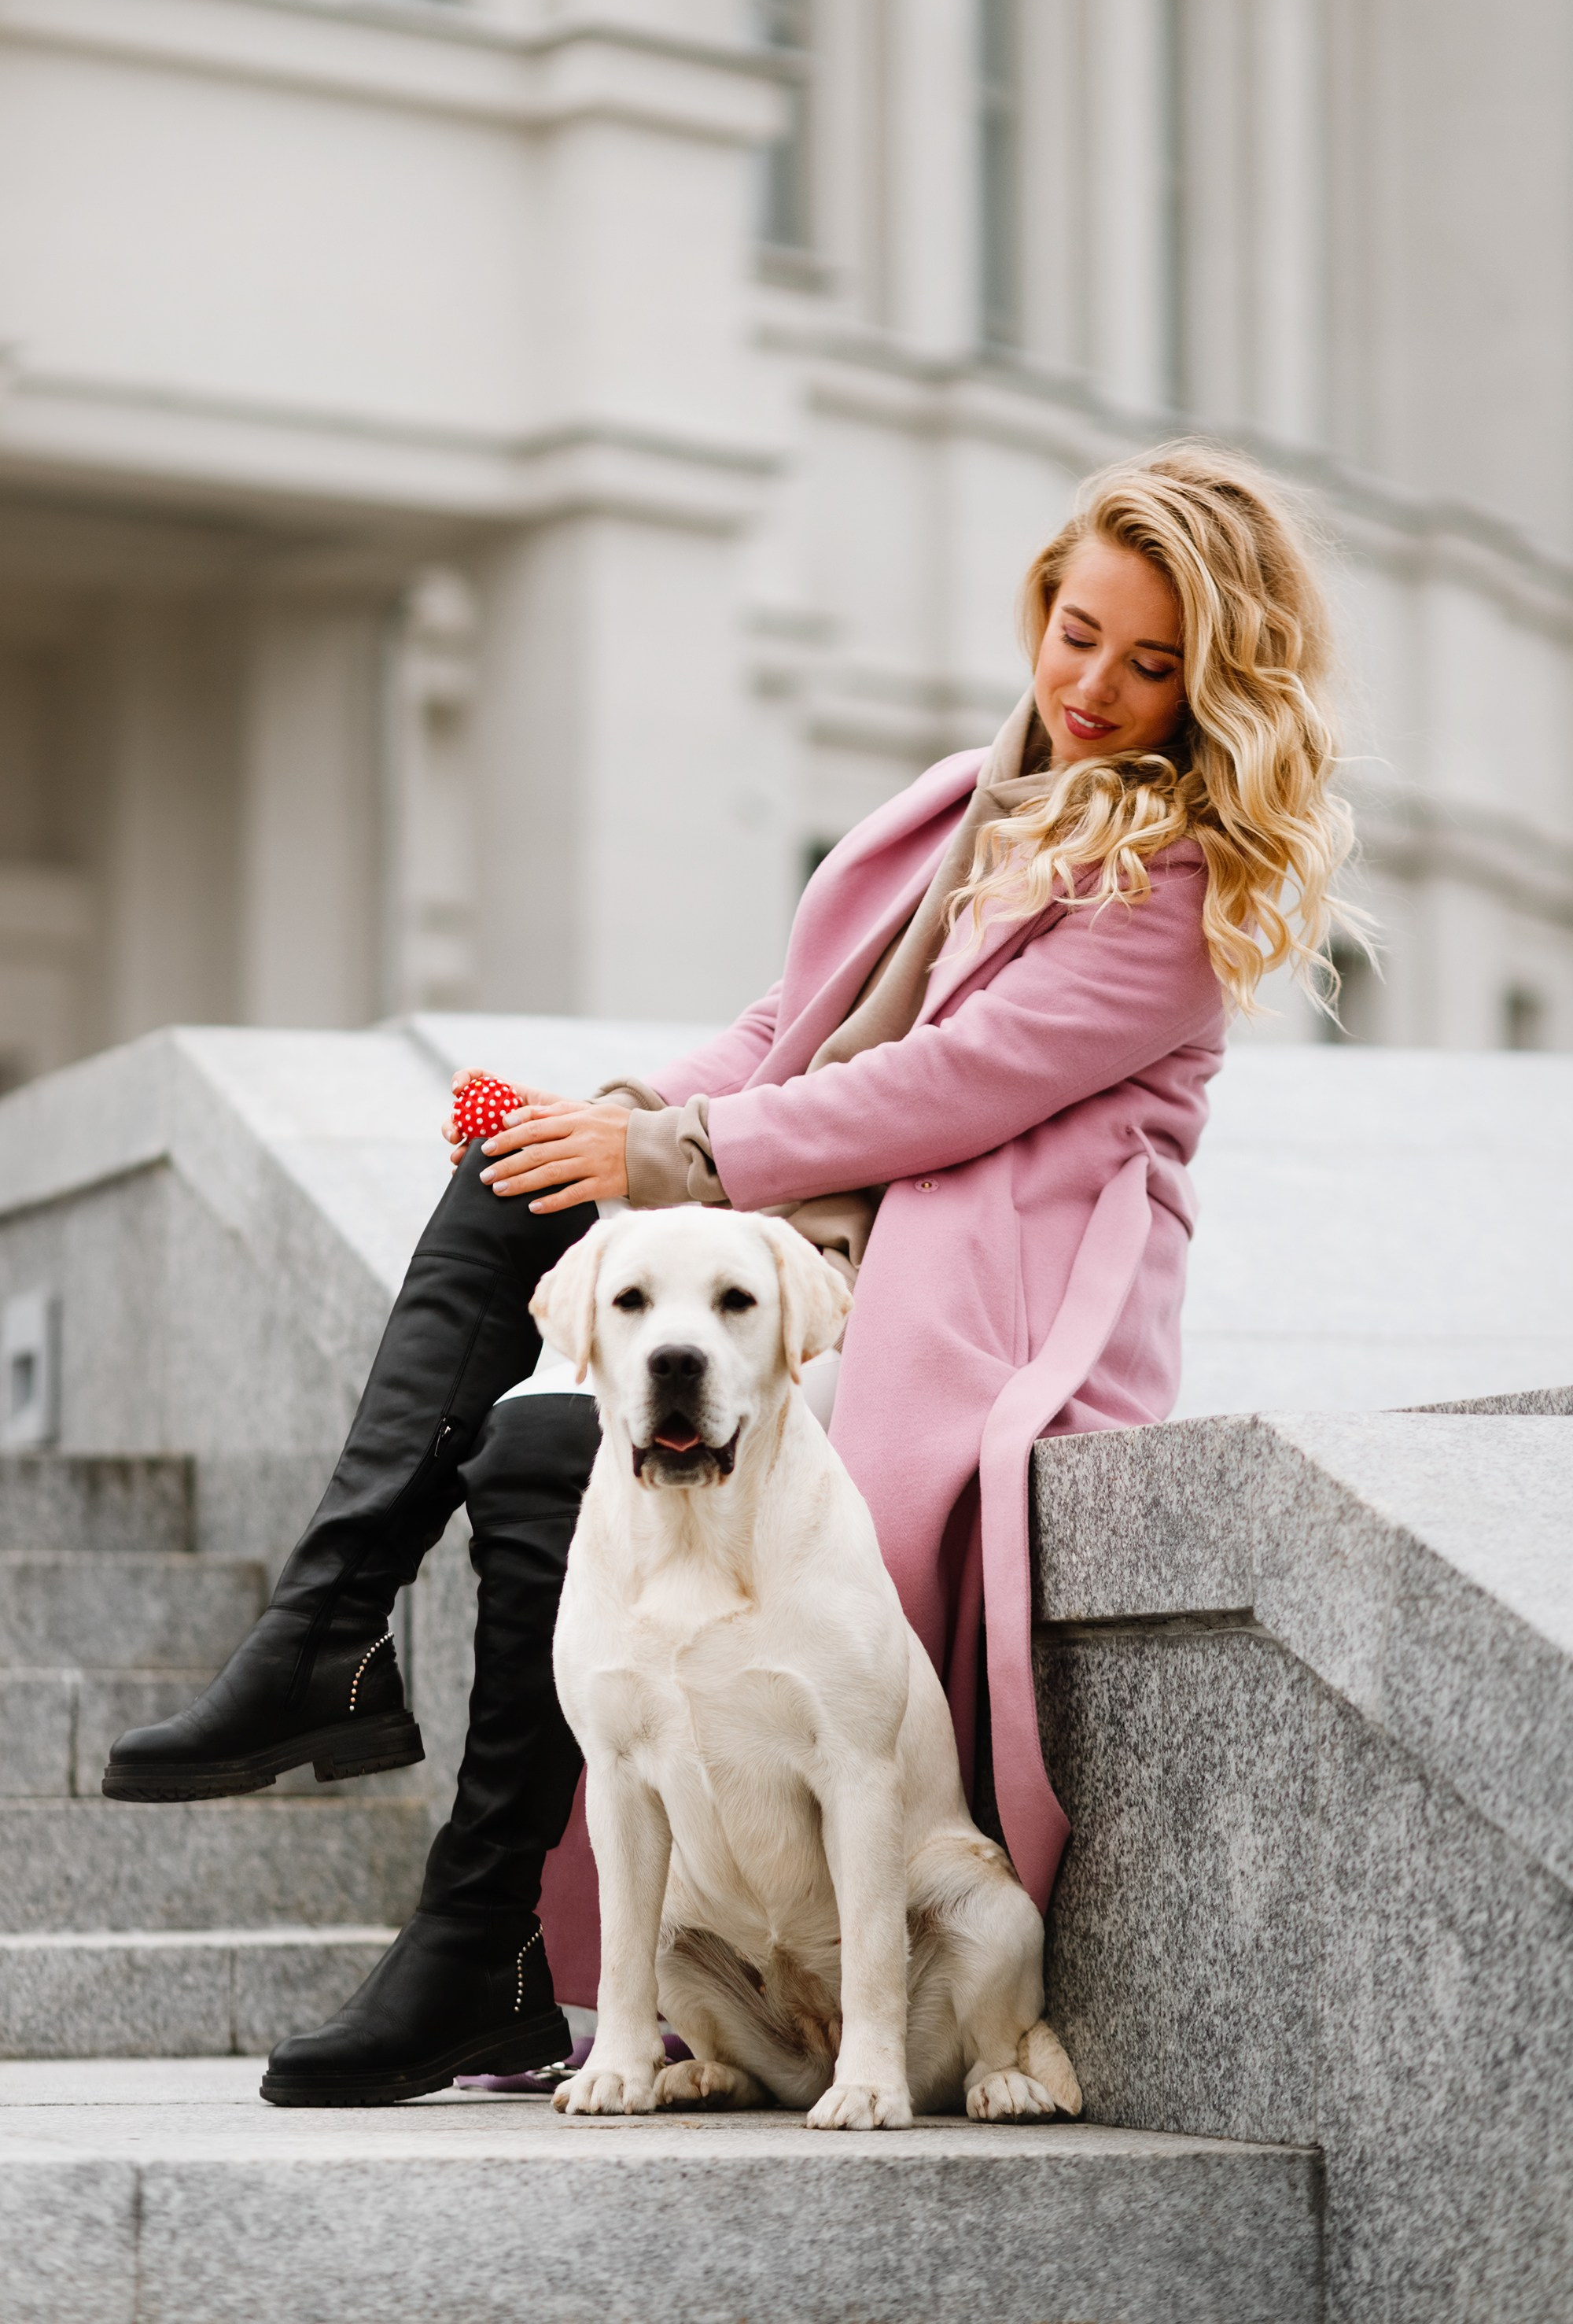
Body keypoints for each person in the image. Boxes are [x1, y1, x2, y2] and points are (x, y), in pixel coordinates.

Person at [104, 441, 1361, 2105]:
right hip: (799, 1231)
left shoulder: (1177, 887)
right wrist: (613, 1125)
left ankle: (476, 1936)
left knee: (556, 1443)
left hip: (963, 1290)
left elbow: (945, 1091)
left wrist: (664, 1162)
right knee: (500, 1172)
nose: (1096, 688)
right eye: (1076, 633)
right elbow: (789, 1030)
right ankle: (324, 1647)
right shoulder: (952, 803)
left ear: (1215, 685)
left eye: (1150, 665)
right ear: (1036, 605)